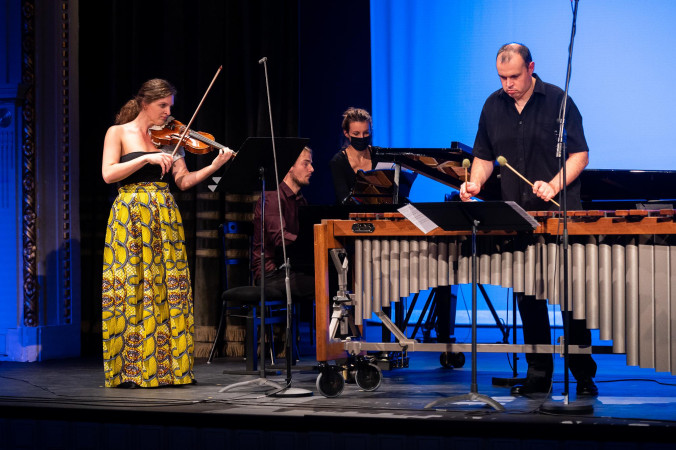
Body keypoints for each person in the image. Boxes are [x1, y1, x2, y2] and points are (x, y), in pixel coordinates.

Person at [459, 43, 598, 396]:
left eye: (514, 77)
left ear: (531, 68)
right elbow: (484, 156)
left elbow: (580, 154)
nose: (508, 84)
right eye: (502, 78)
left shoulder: (558, 101)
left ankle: (582, 371)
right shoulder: (493, 105)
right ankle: (538, 372)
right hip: (516, 215)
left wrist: (553, 184)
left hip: (558, 213)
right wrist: (475, 182)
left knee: (571, 297)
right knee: (528, 295)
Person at [101, 78, 234, 388]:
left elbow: (185, 181)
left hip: (164, 216)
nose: (168, 113)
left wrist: (215, 164)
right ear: (145, 104)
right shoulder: (118, 133)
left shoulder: (170, 139)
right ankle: (131, 370)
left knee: (166, 288)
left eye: (170, 107)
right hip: (131, 217)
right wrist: (146, 158)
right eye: (163, 106)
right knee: (131, 288)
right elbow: (108, 174)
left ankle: (169, 369)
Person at [252, 146, 315, 303]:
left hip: (291, 268)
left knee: (331, 277)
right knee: (324, 285)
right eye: (306, 164)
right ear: (290, 167)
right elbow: (280, 239)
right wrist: (313, 244)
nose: (312, 169)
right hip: (271, 274)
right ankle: (324, 328)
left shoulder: (301, 200)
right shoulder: (273, 196)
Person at [329, 107, 382, 204]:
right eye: (356, 133)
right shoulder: (338, 161)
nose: (361, 137)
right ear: (346, 133)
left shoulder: (379, 155)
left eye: (366, 133)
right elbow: (343, 199)